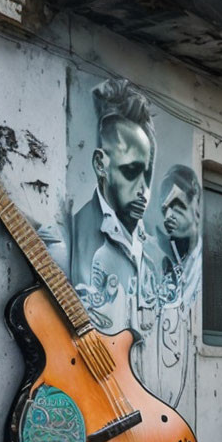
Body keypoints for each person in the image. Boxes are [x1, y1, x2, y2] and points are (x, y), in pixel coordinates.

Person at [40, 78, 161, 333]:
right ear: (100, 164)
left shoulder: (151, 250)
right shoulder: (67, 242)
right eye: (130, 171)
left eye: (147, 174)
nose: (143, 190)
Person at [158, 165, 202, 307]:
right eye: (165, 210)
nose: (169, 217)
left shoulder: (207, 261)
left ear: (195, 204)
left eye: (176, 206)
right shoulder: (164, 264)